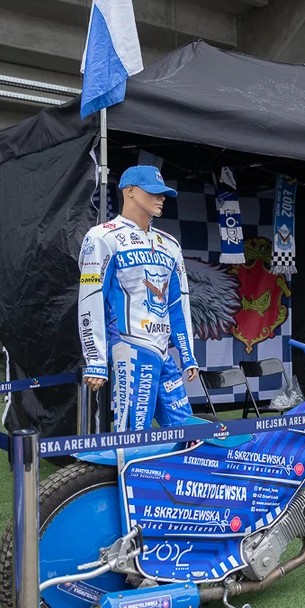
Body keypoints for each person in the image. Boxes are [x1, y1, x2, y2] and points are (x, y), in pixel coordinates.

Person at [78, 165, 200, 432]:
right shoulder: (102, 237)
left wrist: (187, 354)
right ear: (129, 191)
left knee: (187, 430)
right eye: (153, 191)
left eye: (163, 193)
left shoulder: (170, 244)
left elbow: (178, 303)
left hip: (163, 351)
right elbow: (90, 299)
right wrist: (96, 360)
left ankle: (178, 474)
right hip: (129, 349)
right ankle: (122, 475)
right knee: (134, 434)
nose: (161, 198)